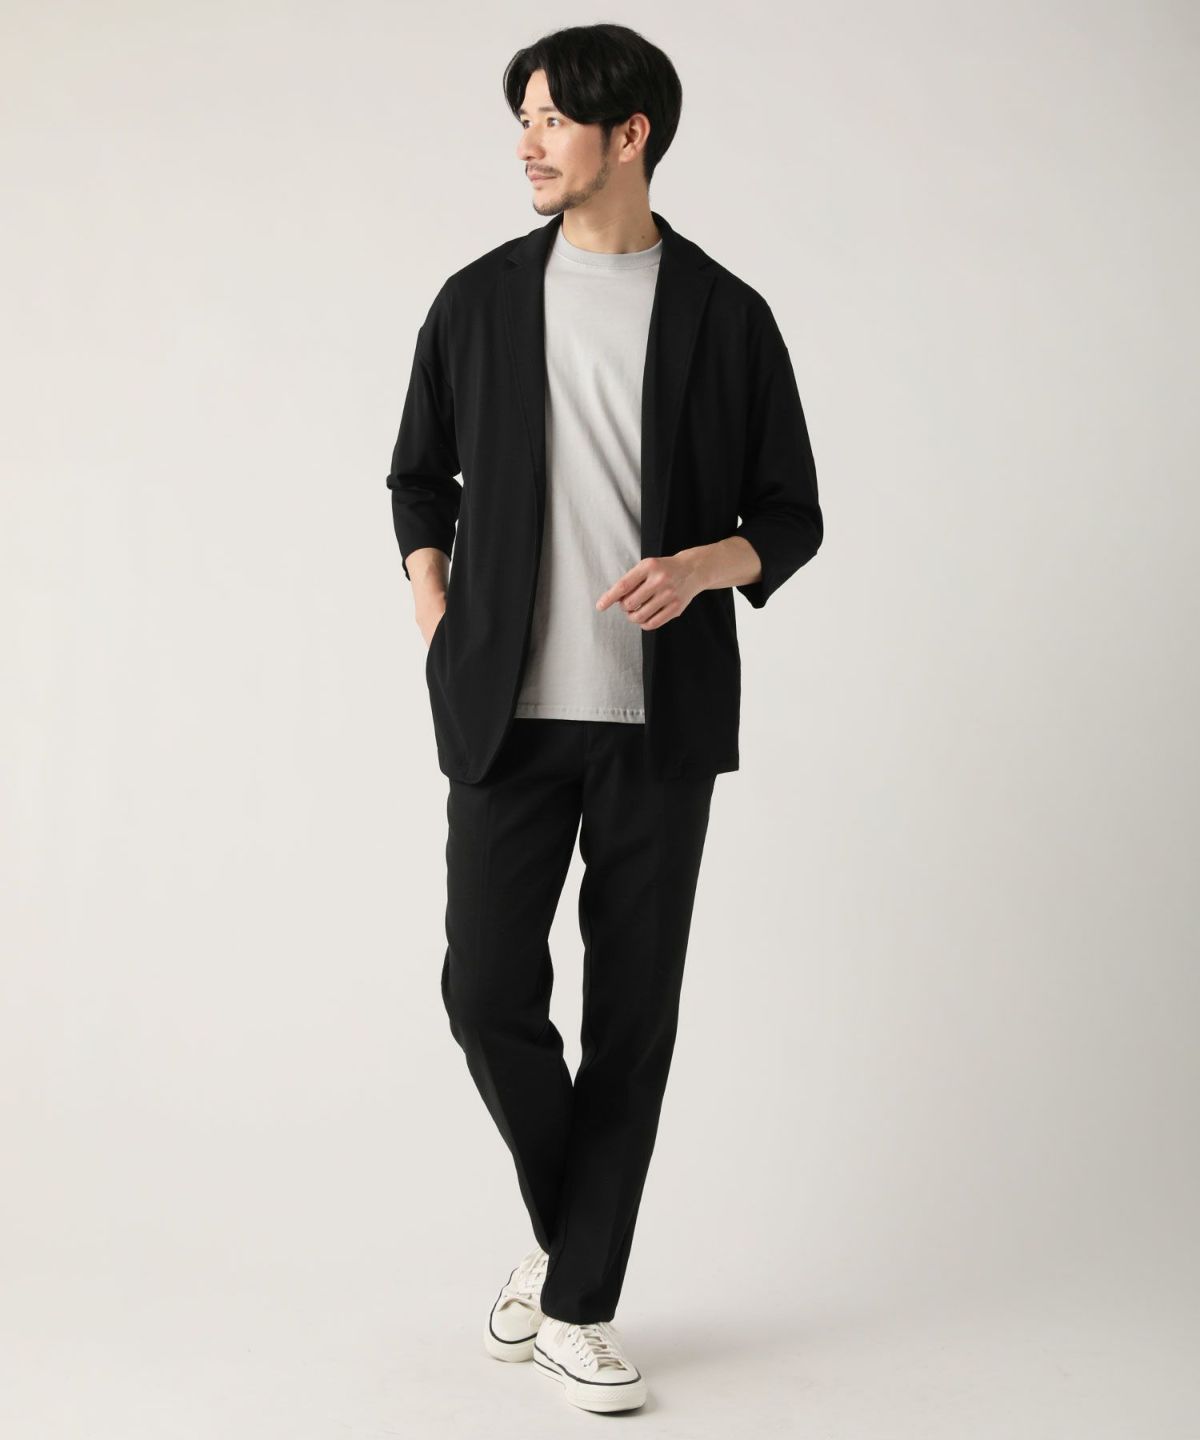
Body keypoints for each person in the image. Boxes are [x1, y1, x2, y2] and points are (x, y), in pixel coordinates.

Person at [385, 23, 822, 1415]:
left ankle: (577, 1300)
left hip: (656, 722)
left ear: (628, 135)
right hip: (504, 715)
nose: (526, 143)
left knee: (633, 1018)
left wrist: (702, 566)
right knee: (484, 995)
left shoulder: (725, 315)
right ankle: (573, 1237)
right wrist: (435, 605)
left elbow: (792, 516)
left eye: (551, 119)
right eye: (521, 117)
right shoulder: (477, 301)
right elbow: (416, 477)